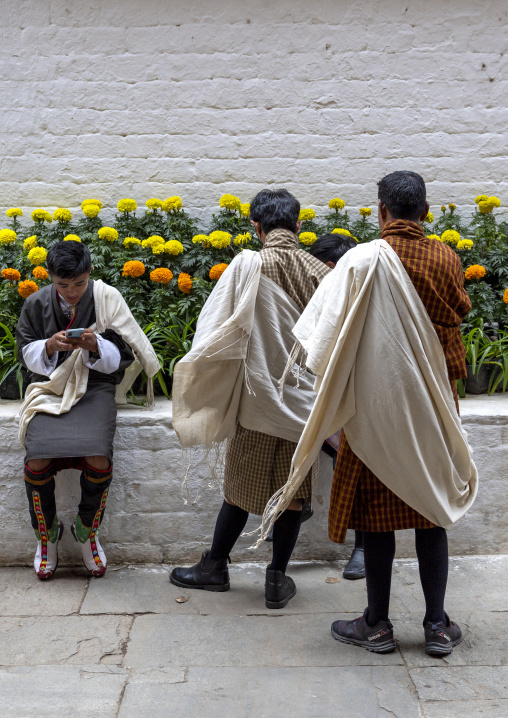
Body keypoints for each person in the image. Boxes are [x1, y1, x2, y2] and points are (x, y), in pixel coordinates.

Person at [267, 171, 476, 655]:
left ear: (381, 211)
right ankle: (437, 625)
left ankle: (377, 625)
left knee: (376, 520)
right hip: (433, 410)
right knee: (431, 512)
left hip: (376, 410)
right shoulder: (445, 256)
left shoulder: (361, 261)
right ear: (426, 212)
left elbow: (322, 334)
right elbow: (458, 310)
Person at [170, 189, 330, 608]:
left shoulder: (247, 264)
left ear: (256, 228)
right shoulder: (322, 273)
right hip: (304, 405)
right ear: (298, 226)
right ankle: (276, 578)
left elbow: (214, 328)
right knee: (294, 489)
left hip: (257, 398)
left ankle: (215, 566)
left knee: (239, 486)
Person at [17, 241, 159, 580]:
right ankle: (47, 536)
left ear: (89, 273)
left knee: (98, 457)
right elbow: (25, 352)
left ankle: (86, 532)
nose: (71, 292)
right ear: (50, 277)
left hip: (94, 388)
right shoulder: (35, 303)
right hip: (49, 388)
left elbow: (125, 352)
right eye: (62, 285)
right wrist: (49, 346)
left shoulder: (107, 298)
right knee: (36, 459)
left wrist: (96, 346)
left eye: (79, 284)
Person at [308, 233, 365, 580]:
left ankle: (363, 546)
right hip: (321, 398)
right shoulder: (322, 294)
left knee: (358, 461)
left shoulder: (359, 291)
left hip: (357, 402)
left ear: (330, 267)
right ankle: (293, 507)